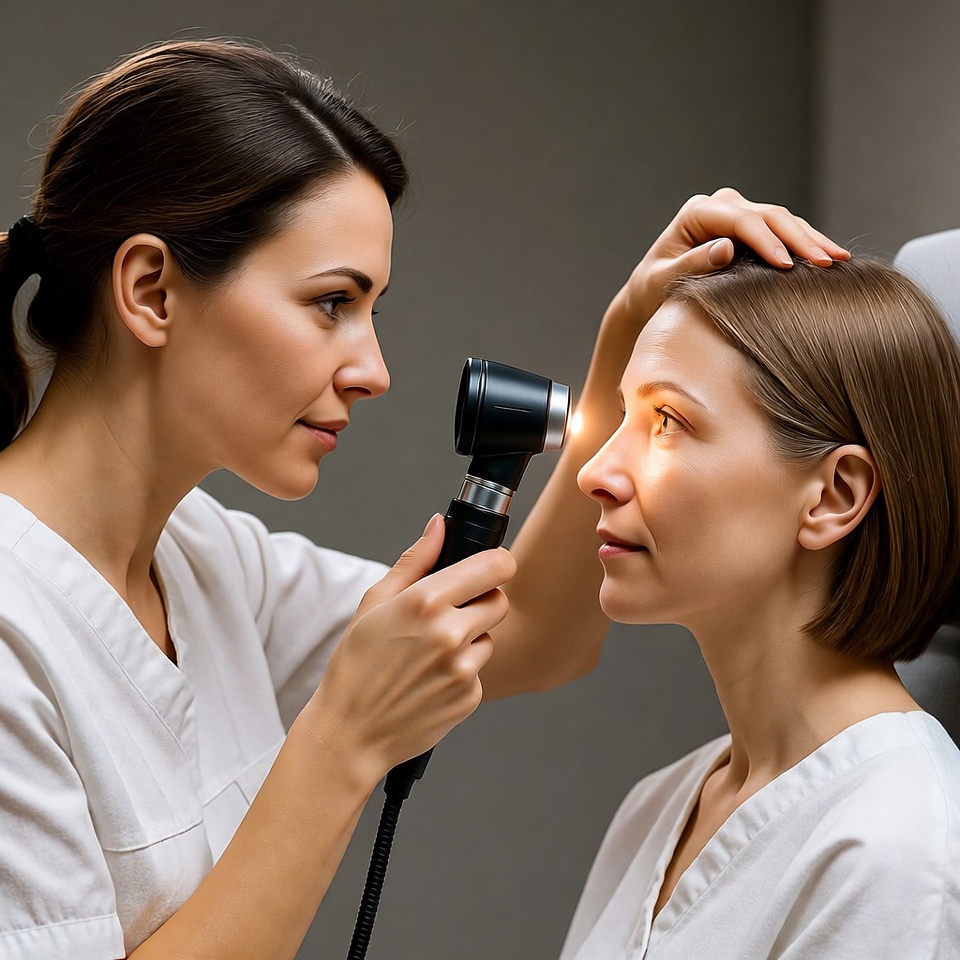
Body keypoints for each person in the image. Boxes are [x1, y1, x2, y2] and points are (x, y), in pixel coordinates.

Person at [0, 37, 847, 960]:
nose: (374, 370)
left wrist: (627, 344)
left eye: (374, 310)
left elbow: (534, 634)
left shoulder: (202, 560)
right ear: (152, 291)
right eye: (332, 303)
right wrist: (343, 741)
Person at [562, 253, 960, 959]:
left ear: (834, 495)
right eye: (624, 415)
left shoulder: (900, 851)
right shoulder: (656, 808)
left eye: (667, 421)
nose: (595, 473)